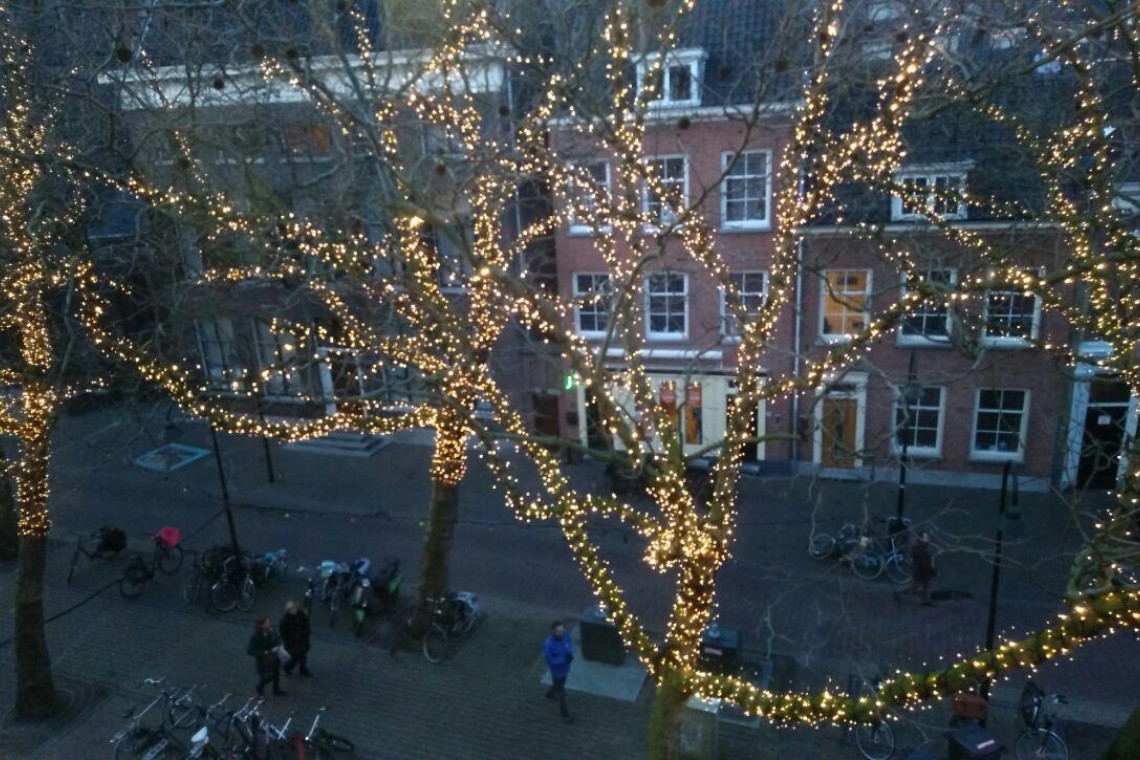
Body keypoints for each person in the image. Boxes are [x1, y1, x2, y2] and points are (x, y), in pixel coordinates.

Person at [542, 620, 574, 723]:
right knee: (562, 692)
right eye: (559, 631)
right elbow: (550, 660)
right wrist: (564, 659)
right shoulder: (548, 645)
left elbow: (569, 644)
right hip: (557, 671)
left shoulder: (565, 635)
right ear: (553, 631)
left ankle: (550, 693)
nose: (561, 632)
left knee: (559, 685)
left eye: (562, 630)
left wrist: (569, 654)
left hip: (565, 669)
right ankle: (565, 713)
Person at [247, 616, 285, 696]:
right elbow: (250, 651)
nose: (269, 624)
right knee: (268, 676)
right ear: (261, 625)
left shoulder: (271, 631)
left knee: (276, 673)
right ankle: (259, 686)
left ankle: (276, 689)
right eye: (267, 623)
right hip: (263, 660)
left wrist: (277, 645)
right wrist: (265, 652)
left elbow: (278, 638)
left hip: (273, 657)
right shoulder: (256, 637)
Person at [898, 531, 936, 605]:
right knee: (917, 587)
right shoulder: (919, 548)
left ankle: (927, 601)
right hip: (920, 571)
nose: (928, 539)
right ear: (921, 539)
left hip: (923, 571)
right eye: (926, 537)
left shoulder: (922, 546)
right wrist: (933, 570)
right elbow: (923, 561)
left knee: (925, 586)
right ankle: (899, 594)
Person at [280, 601, 312, 677]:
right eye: (291, 609)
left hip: (302, 639)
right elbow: (284, 634)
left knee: (303, 655)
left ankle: (302, 669)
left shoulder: (300, 614)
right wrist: (288, 643)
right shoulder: (285, 621)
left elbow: (306, 624)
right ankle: (288, 667)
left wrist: (307, 634)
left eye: (294, 608)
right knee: (295, 657)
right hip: (293, 642)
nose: (294, 610)